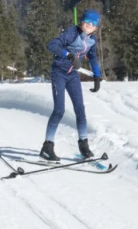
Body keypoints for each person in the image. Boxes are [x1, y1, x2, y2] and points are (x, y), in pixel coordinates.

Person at [42, 10, 102, 161]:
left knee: (80, 109)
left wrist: (97, 76)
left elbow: (93, 58)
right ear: (82, 22)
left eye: (94, 23)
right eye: (88, 21)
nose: (90, 24)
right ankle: (47, 147)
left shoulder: (92, 40)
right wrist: (68, 55)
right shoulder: (72, 33)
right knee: (59, 110)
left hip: (72, 75)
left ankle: (84, 145)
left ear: (96, 27)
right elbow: (51, 45)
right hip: (59, 72)